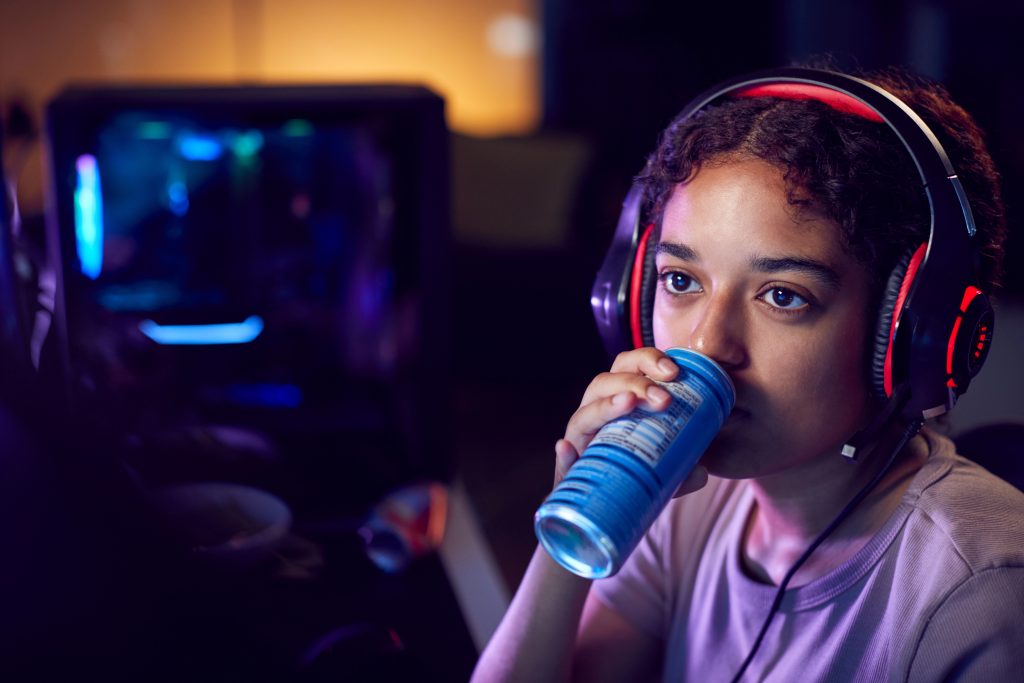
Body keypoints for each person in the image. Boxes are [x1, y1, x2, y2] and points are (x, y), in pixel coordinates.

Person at [471, 65, 1024, 682]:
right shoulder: (681, 502)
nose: (708, 345)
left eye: (783, 296)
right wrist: (573, 520)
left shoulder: (980, 591)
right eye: (680, 281)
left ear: (908, 336)